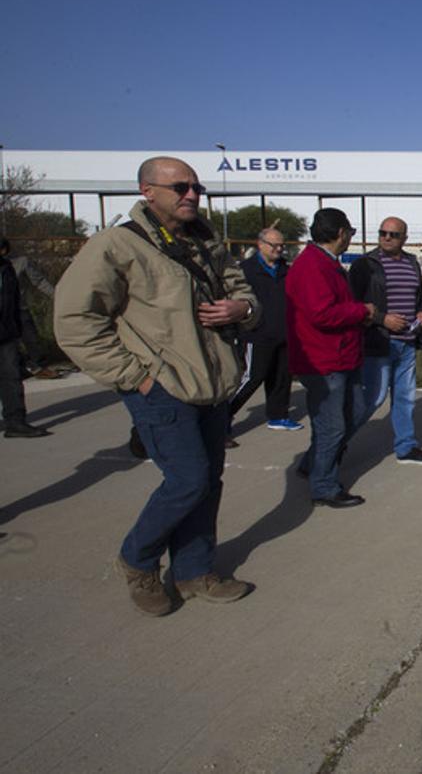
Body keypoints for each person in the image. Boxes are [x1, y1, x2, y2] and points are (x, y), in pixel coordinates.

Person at [54, 156, 259, 615]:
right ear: (147, 191)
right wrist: (136, 378)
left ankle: (193, 572)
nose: (191, 195)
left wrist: (241, 311)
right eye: (179, 187)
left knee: (208, 483)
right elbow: (75, 322)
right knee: (187, 481)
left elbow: (244, 293)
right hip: (162, 388)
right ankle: (137, 559)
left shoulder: (207, 244)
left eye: (196, 188)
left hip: (212, 383)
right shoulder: (117, 246)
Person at [286, 208, 379, 509]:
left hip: (342, 356)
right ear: (341, 233)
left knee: (358, 409)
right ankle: (324, 485)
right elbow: (321, 313)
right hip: (324, 360)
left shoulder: (327, 263)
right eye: (350, 232)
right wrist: (361, 311)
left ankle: (314, 462)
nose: (350, 237)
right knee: (332, 425)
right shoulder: (313, 266)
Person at [348, 217, 422, 465]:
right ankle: (331, 446)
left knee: (405, 398)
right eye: (383, 232)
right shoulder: (365, 265)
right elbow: (352, 305)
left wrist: (420, 312)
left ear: (404, 239)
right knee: (371, 400)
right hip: (379, 341)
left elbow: (417, 297)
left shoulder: (411, 263)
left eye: (393, 234)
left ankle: (406, 447)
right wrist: (381, 319)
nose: (387, 237)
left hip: (406, 342)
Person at [228, 228, 302, 433]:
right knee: (252, 377)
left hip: (284, 334)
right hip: (256, 334)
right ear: (260, 244)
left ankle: (278, 415)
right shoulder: (246, 270)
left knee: (281, 377)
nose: (279, 249)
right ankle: (221, 417)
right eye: (274, 245)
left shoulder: (287, 271)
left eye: (282, 245)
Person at [1, 237, 51, 438]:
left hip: (6, 332)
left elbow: (12, 300)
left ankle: (15, 422)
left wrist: (16, 327)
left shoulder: (8, 269)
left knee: (11, 377)